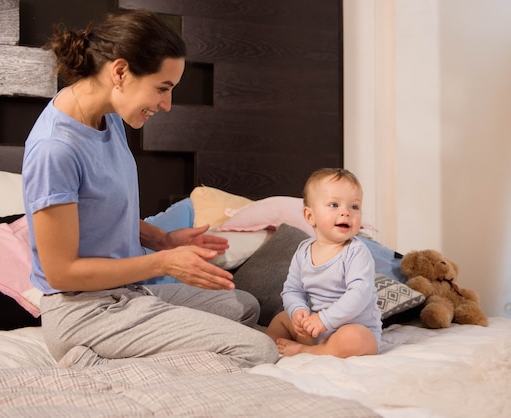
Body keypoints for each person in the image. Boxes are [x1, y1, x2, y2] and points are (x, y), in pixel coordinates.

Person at [21, 9, 278, 369]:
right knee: (257, 350)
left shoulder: (108, 117)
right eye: (163, 88)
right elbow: (61, 272)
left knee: (244, 306)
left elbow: (103, 211)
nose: (167, 105)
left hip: (126, 294)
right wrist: (162, 262)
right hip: (82, 312)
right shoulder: (55, 149)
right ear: (121, 72)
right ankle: (96, 364)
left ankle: (102, 357)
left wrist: (164, 241)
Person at [265, 168, 382, 358]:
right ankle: (266, 350)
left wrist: (325, 319)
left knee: (355, 337)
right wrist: (298, 311)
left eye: (354, 207)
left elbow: (359, 294)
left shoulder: (356, 252)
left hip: (347, 330)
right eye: (334, 205)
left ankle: (310, 351)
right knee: (281, 319)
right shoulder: (303, 251)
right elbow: (292, 289)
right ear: (310, 216)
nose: (346, 213)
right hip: (314, 329)